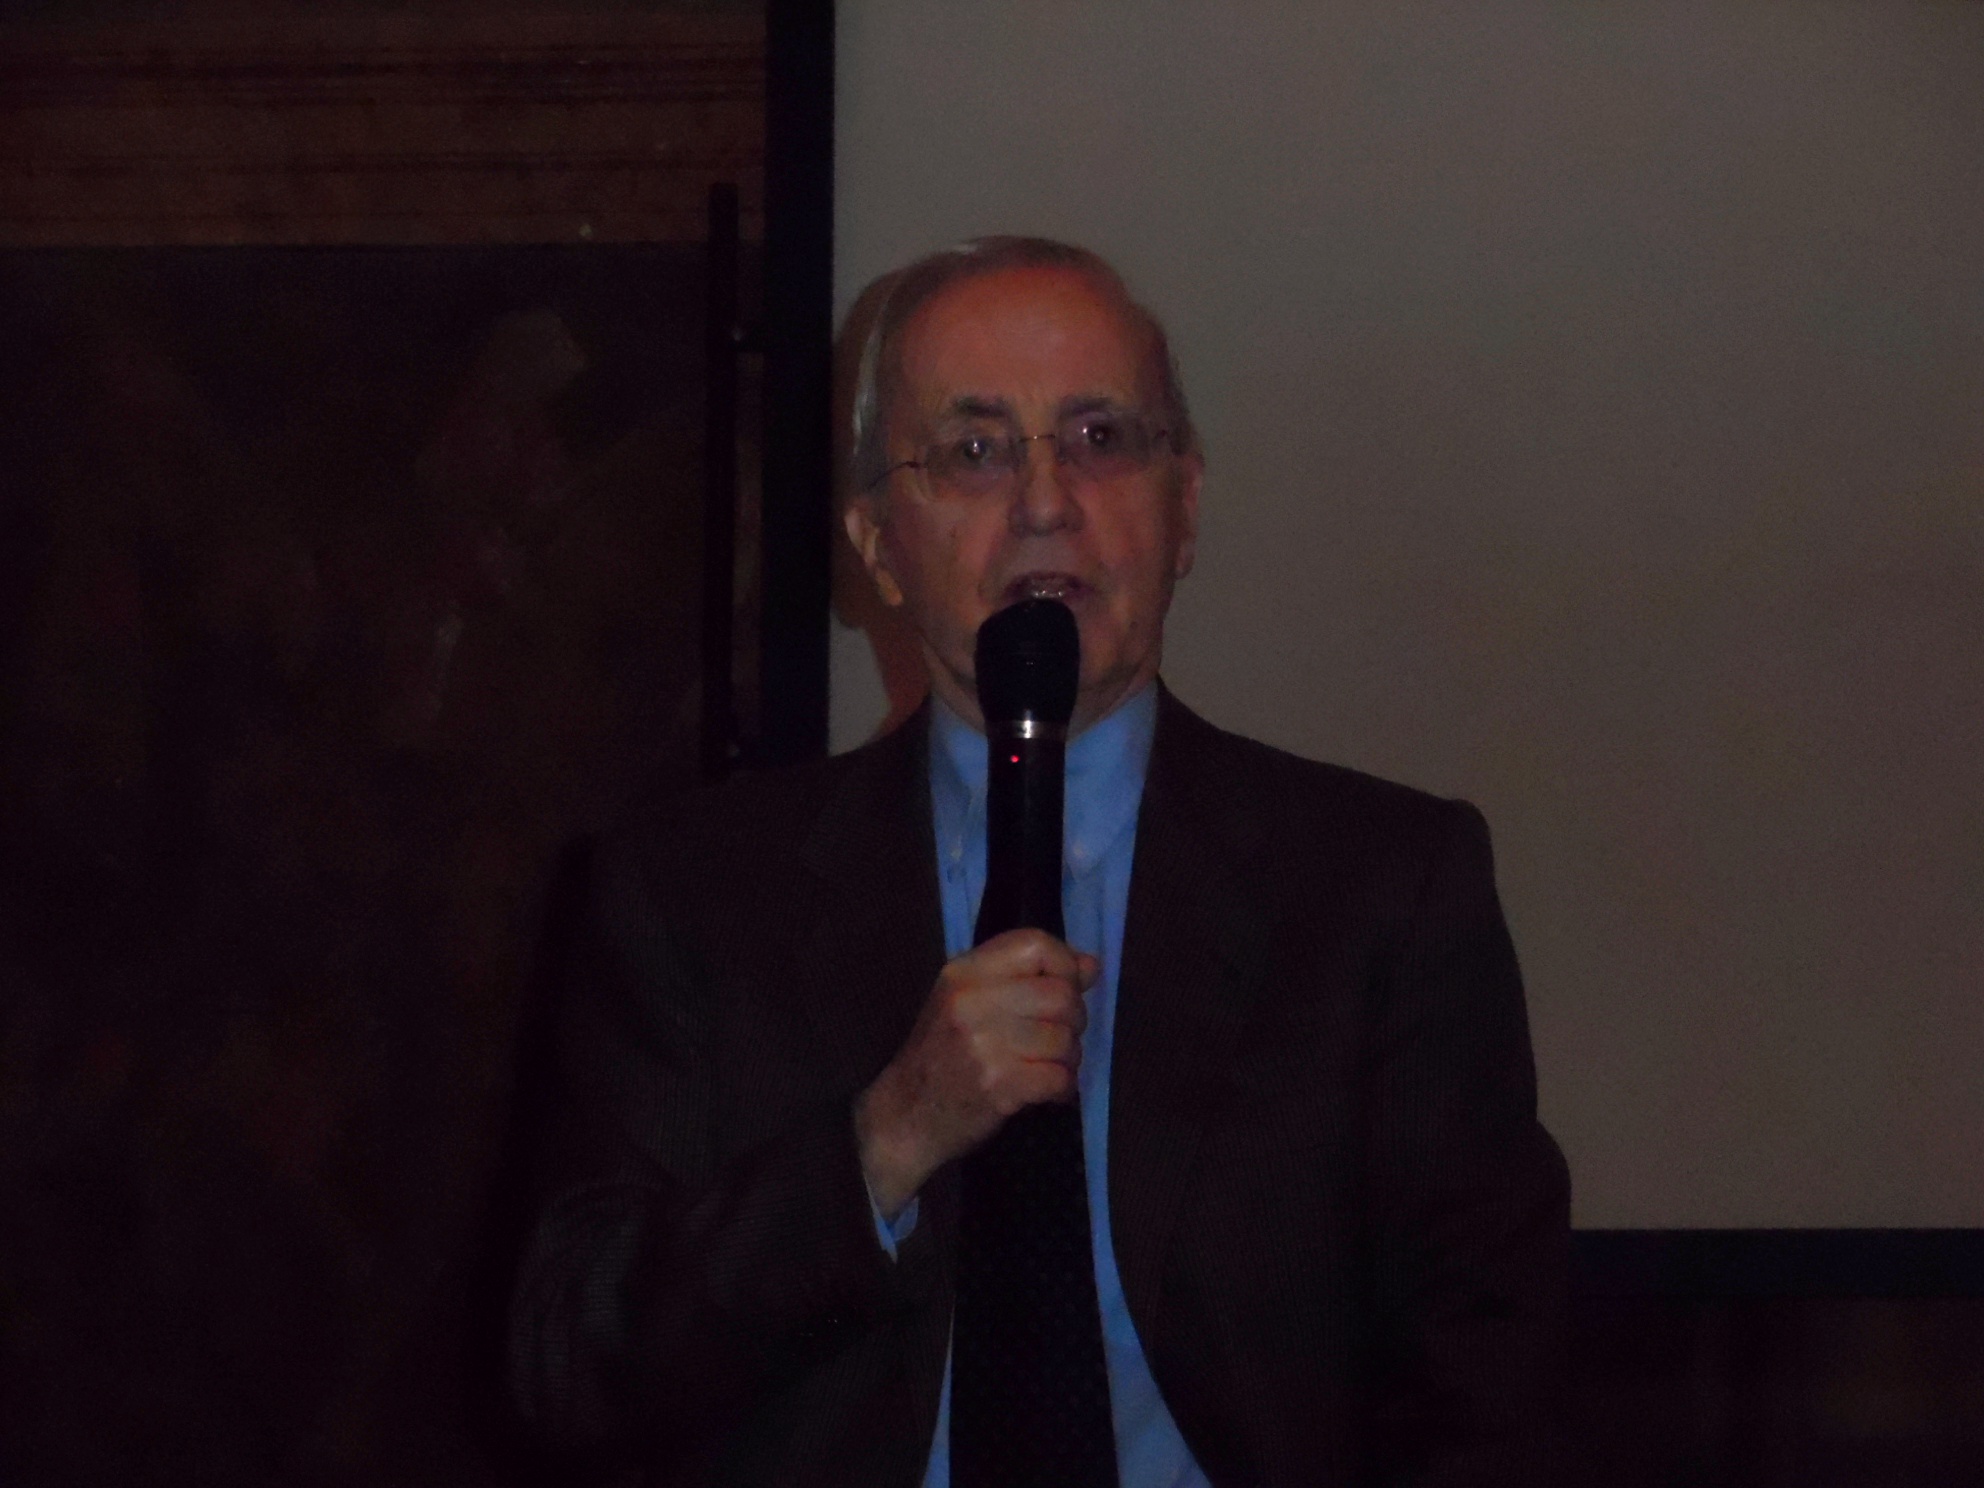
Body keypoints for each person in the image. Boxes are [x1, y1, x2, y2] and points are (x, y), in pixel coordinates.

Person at [509, 237, 1571, 1486]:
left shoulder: (1381, 891)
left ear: (1184, 507)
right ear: (876, 542)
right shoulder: (690, 898)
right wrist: (884, 1141)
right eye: (974, 452)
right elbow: (570, 1364)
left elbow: (1491, 1393)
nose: (1045, 501)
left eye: (1098, 438)